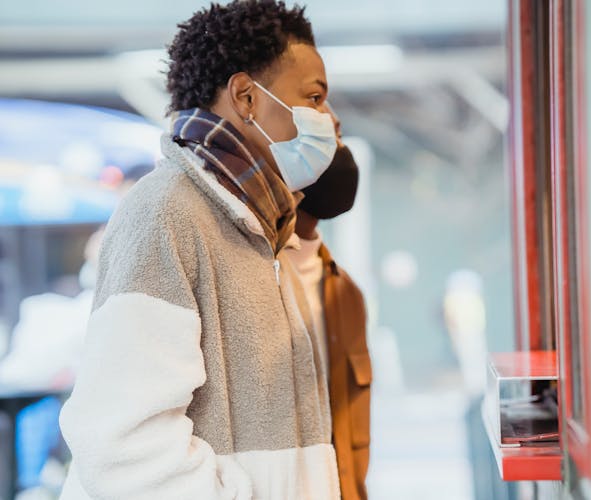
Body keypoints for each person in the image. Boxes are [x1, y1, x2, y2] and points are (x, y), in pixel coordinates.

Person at [58, 2, 342, 499]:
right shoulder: (167, 212)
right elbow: (124, 447)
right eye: (315, 98)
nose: (330, 121)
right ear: (246, 97)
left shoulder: (262, 226)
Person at [285, 105, 371, 500]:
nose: (338, 148)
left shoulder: (345, 294)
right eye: (326, 139)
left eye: (337, 136)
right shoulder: (250, 274)